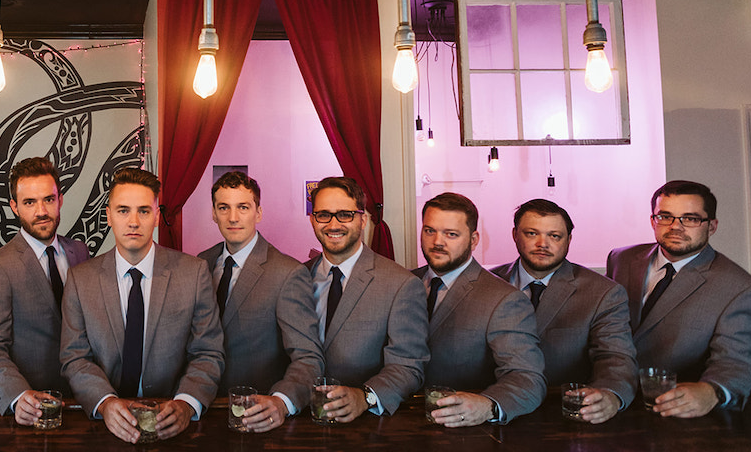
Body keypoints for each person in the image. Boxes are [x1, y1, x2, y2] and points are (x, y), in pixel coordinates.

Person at [60, 167, 224, 443]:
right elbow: (74, 357)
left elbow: (208, 353)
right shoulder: (80, 279)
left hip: (171, 421)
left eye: (144, 211)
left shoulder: (193, 273)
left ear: (157, 217)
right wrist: (104, 402)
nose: (133, 221)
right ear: (109, 216)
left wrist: (187, 403)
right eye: (123, 210)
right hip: (104, 424)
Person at [606, 180, 751, 417]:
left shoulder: (742, 290)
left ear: (711, 226)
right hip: (608, 398)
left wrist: (711, 391)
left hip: (676, 411)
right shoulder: (621, 259)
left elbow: (736, 363)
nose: (675, 226)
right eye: (665, 217)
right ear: (653, 221)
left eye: (690, 219)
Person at [490, 199, 636, 423]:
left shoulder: (603, 293)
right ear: (515, 235)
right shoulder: (489, 284)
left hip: (567, 413)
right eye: (531, 233)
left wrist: (610, 394)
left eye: (554, 236)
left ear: (569, 239)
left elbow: (615, 357)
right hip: (494, 408)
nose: (543, 244)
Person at [197, 171, 323, 432]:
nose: (233, 217)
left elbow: (308, 357)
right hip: (201, 407)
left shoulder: (287, 272)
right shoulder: (201, 263)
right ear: (213, 213)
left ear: (258, 213)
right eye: (224, 207)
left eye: (243, 207)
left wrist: (281, 401)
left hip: (257, 415)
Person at [0, 157, 90, 423]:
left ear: (60, 200)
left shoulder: (80, 251)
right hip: (33, 407)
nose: (41, 211)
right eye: (29, 202)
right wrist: (17, 396)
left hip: (86, 400)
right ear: (14, 207)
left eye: (48, 199)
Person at [415, 192, 545, 426]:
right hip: (394, 419)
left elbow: (528, 378)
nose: (437, 242)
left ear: (474, 240)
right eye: (429, 231)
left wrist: (488, 406)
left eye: (451, 234)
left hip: (463, 428)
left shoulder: (504, 299)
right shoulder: (402, 283)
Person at [305, 177, 428, 422]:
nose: (333, 224)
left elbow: (408, 366)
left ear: (363, 219)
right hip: (297, 417)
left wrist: (365, 397)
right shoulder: (296, 278)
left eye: (345, 215)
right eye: (324, 215)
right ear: (312, 219)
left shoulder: (400, 284)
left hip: (365, 423)